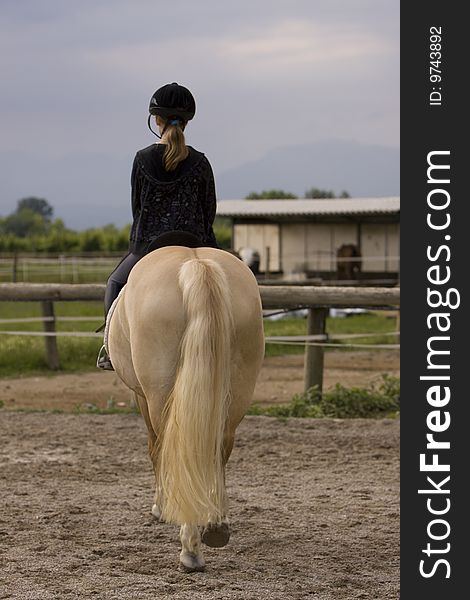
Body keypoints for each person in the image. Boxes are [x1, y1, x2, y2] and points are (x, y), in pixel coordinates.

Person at [97, 82, 219, 370]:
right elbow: (209, 210)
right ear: (187, 122)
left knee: (114, 283)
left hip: (149, 246)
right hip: (197, 243)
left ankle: (111, 351)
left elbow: (137, 207)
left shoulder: (142, 159)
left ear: (157, 120)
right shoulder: (201, 162)